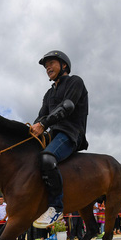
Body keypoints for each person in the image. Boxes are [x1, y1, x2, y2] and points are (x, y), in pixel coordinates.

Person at [31, 50, 89, 228]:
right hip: (53, 134)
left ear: (64, 65)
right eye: (46, 65)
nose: (48, 67)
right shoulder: (48, 94)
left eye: (51, 63)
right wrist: (32, 129)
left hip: (71, 133)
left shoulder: (75, 81)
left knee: (46, 158)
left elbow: (67, 106)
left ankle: (56, 207)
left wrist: (43, 123)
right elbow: (41, 117)